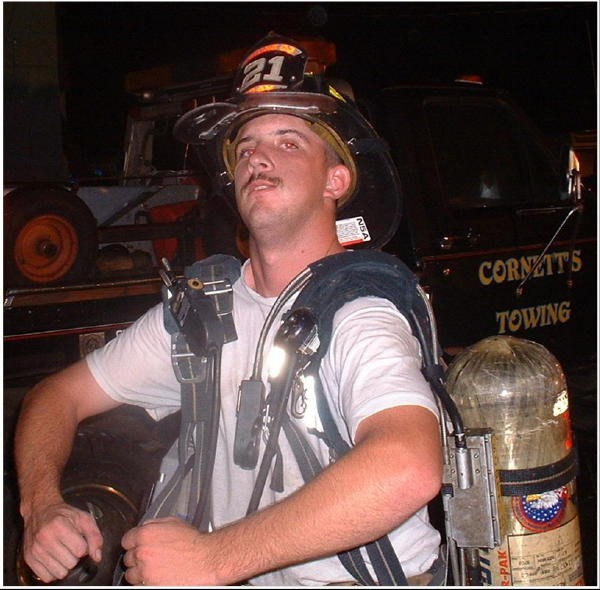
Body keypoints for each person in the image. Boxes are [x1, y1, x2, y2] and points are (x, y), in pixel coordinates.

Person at [14, 33, 444, 586]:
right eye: (244, 147)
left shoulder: (356, 309)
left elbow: (408, 466)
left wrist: (215, 559)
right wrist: (41, 506)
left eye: (288, 141)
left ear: (336, 180)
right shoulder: (201, 310)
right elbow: (55, 396)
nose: (257, 157)